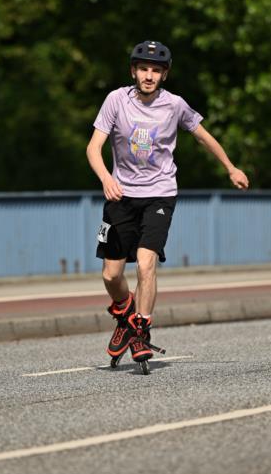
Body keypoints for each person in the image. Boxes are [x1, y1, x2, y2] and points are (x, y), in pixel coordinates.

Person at [86, 40, 249, 366]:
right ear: (134, 71)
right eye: (143, 69)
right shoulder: (116, 100)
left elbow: (203, 136)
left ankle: (141, 329)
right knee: (110, 276)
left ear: (164, 75)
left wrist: (230, 167)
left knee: (146, 265)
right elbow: (93, 147)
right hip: (121, 196)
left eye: (156, 71)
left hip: (159, 195)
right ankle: (125, 316)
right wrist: (106, 177)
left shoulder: (174, 105)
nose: (149, 75)